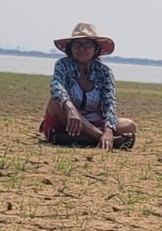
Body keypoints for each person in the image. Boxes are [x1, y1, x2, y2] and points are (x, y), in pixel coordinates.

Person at [39, 22, 137, 150]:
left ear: (96, 49)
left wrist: (108, 130)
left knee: (129, 125)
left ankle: (73, 138)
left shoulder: (104, 72)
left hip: (94, 121)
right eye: (77, 44)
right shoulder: (62, 65)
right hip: (67, 119)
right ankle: (100, 138)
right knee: (54, 103)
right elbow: (56, 86)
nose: (81, 49)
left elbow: (110, 103)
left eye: (87, 44)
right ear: (70, 48)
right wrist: (71, 110)